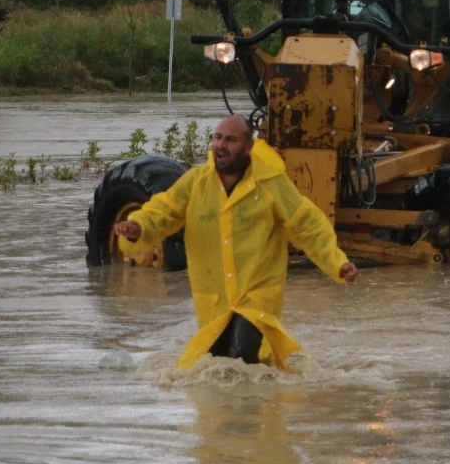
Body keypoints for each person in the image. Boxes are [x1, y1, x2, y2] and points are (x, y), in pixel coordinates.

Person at [113, 115, 358, 370]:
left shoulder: (271, 183)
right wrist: (137, 228)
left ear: (249, 147)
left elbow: (307, 225)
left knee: (243, 354)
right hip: (215, 299)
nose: (220, 145)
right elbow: (163, 211)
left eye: (231, 140)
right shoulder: (196, 182)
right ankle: (245, 406)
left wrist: (337, 263)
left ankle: (252, 407)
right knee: (219, 365)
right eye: (217, 138)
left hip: (257, 295)